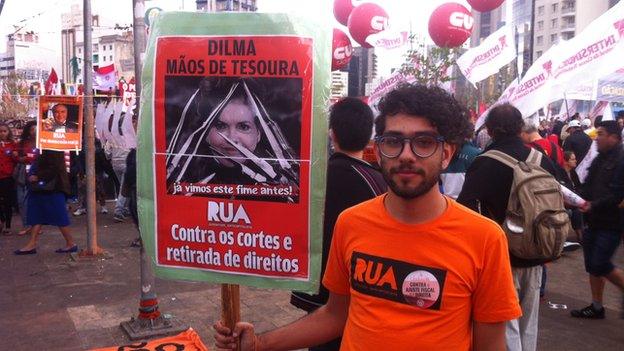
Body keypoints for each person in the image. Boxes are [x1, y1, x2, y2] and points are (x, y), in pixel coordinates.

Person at [214, 85, 521, 350]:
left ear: (447, 154)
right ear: (379, 148)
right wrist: (259, 344)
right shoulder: (351, 222)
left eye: (424, 142)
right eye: (393, 141)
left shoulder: (484, 238)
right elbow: (335, 315)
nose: (406, 155)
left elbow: (490, 345)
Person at [457, 103, 558, 351]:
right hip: (536, 253)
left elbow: (466, 208)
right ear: (519, 128)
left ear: (490, 130)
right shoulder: (541, 160)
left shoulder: (485, 162)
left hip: (503, 257)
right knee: (528, 323)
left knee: (505, 326)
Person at [290, 97, 386, 351]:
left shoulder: (316, 179)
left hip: (322, 290)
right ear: (369, 138)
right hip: (366, 293)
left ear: (332, 133)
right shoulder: (379, 180)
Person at [166, 77, 299, 201]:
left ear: (259, 133)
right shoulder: (181, 186)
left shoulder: (283, 190)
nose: (231, 138)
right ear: (205, 133)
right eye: (220, 126)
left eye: (243, 126)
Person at [570, 121, 624, 319]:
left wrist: (593, 205)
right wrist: (577, 199)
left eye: (600, 133)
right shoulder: (599, 158)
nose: (596, 137)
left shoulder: (621, 159)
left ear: (614, 137)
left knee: (600, 263)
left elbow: (617, 195)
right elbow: (588, 185)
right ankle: (596, 306)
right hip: (592, 220)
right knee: (592, 266)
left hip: (612, 223)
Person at [14, 150, 77, 255]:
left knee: (58, 215)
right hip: (42, 188)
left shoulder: (52, 146)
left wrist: (38, 176)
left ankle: (70, 243)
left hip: (52, 187)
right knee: (37, 214)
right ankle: (32, 243)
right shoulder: (43, 145)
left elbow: (55, 167)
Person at [12, 121, 39, 236]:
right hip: (22, 173)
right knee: (21, 200)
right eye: (32, 129)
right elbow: (16, 157)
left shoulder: (41, 143)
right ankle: (26, 225)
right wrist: (20, 158)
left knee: (33, 201)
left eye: (36, 129)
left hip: (36, 173)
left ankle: (35, 226)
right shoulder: (22, 143)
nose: (34, 132)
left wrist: (27, 159)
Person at [561, 151, 583, 243]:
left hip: (574, 201)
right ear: (566, 162)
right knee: (576, 211)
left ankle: (582, 234)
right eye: (572, 159)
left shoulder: (573, 173)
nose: (576, 161)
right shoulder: (560, 174)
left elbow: (579, 187)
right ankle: (580, 236)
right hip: (565, 202)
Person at [0, 122, 16, 235]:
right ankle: (2, 219)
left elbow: (16, 161)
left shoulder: (13, 145)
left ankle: (8, 225)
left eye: (4, 131)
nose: (2, 133)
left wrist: (15, 156)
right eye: (0, 131)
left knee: (7, 201)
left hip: (7, 177)